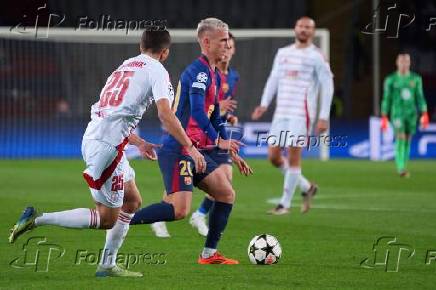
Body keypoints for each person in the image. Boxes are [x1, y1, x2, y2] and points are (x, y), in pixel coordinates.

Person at [8, 29, 206, 277]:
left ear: (140, 45)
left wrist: (139, 142)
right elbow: (165, 114)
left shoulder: (123, 67)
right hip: (107, 149)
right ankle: (37, 219)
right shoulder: (157, 71)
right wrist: (189, 146)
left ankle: (107, 264)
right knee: (107, 219)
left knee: (132, 202)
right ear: (165, 52)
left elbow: (109, 112)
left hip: (103, 140)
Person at [130, 18, 251, 264]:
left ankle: (208, 254)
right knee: (179, 210)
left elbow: (214, 116)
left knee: (226, 193)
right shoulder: (197, 72)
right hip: (180, 148)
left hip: (197, 150)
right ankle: (120, 220)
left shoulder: (214, 74)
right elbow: (196, 112)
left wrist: (230, 149)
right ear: (206, 42)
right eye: (223, 40)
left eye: (229, 40)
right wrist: (219, 142)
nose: (227, 45)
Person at [251, 16, 334, 215]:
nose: (304, 30)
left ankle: (284, 204)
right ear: (295, 28)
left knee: (294, 156)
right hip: (281, 112)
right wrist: (264, 103)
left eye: (308, 27)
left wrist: (324, 116)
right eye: (301, 26)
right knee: (273, 156)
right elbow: (273, 78)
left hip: (301, 113)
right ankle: (307, 187)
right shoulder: (283, 53)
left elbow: (327, 85)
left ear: (313, 32)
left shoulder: (317, 56)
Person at [189, 32, 241, 237]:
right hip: (199, 133)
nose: (227, 51)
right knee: (185, 180)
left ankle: (199, 215)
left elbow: (221, 108)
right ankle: (165, 214)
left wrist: (230, 117)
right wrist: (220, 110)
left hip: (217, 130)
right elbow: (201, 108)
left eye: (230, 47)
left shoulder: (234, 76)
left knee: (226, 178)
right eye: (224, 46)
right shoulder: (207, 74)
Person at [381, 53, 429, 177]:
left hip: (411, 114)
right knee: (400, 137)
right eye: (401, 61)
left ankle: (403, 164)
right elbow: (386, 98)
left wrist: (424, 112)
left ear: (409, 63)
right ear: (397, 63)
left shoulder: (416, 79)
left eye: (406, 61)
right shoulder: (391, 79)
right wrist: (384, 115)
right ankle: (400, 168)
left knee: (408, 138)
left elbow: (419, 97)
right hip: (397, 113)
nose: (403, 64)